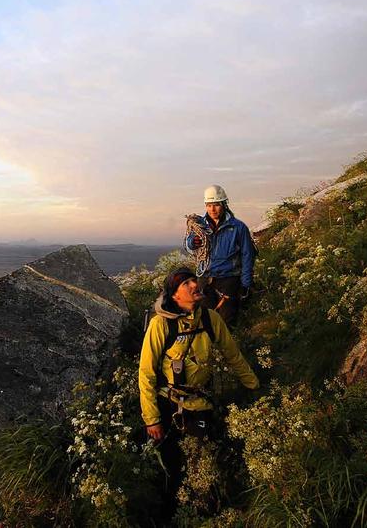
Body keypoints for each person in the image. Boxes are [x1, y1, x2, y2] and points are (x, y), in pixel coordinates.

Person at [139, 267, 258, 509]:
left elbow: (233, 355)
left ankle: (203, 508)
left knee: (200, 460)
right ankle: (177, 510)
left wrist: (253, 385)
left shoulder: (210, 319)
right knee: (173, 465)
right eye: (186, 283)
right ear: (174, 295)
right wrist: (151, 418)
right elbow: (147, 373)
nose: (195, 285)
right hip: (168, 404)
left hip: (200, 403)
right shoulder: (161, 325)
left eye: (194, 279)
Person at [184, 184, 257, 324]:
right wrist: (193, 242)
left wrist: (246, 284)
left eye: (216, 205)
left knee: (226, 320)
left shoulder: (237, 227)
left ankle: (226, 345)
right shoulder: (199, 226)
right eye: (209, 205)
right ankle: (208, 345)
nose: (212, 209)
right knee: (203, 319)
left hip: (228, 278)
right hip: (205, 278)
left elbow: (248, 255)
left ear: (224, 204)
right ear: (205, 205)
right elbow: (188, 246)